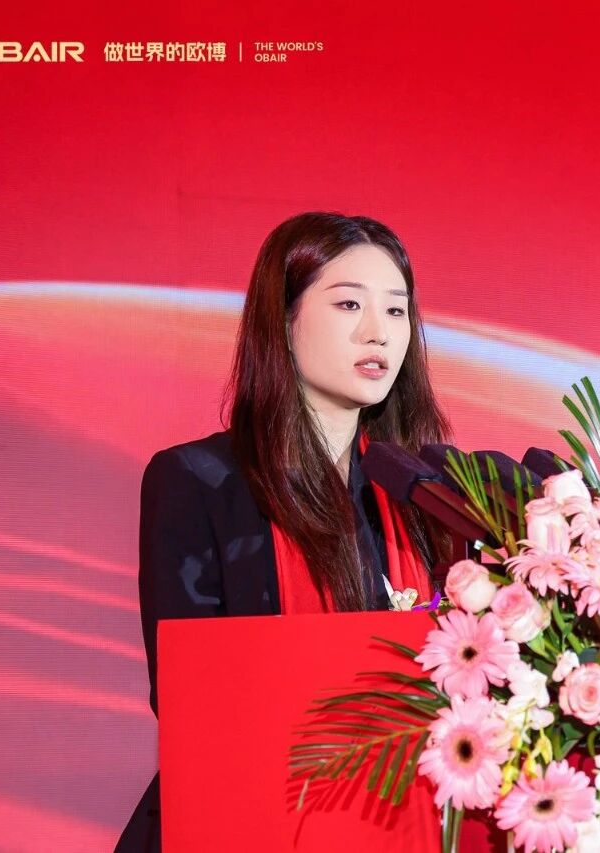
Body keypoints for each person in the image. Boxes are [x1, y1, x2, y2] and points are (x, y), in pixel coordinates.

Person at [115, 211, 454, 852]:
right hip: (241, 818)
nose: (377, 331)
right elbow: (188, 696)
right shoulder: (200, 480)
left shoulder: (425, 497)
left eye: (396, 310)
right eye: (349, 304)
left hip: (399, 824)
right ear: (285, 319)